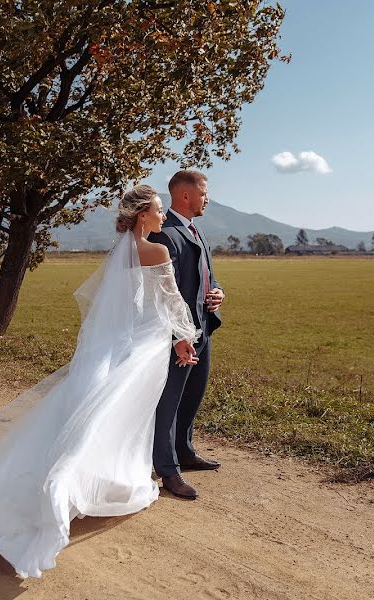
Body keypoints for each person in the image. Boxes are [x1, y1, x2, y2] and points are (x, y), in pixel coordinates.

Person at [0, 184, 202, 579]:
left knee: (97, 414)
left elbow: (117, 307)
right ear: (143, 215)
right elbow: (170, 301)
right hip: (144, 346)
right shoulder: (157, 250)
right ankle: (69, 486)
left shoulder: (118, 252)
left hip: (114, 345)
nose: (163, 216)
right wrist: (185, 337)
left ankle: (81, 481)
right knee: (124, 417)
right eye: (159, 210)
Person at [148, 170, 225, 499]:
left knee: (193, 394)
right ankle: (168, 470)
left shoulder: (196, 231)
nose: (207, 198)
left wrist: (219, 293)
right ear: (184, 196)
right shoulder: (165, 234)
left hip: (202, 328)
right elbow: (164, 294)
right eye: (204, 192)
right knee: (170, 402)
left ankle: (185, 451)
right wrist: (178, 334)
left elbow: (208, 277)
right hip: (177, 334)